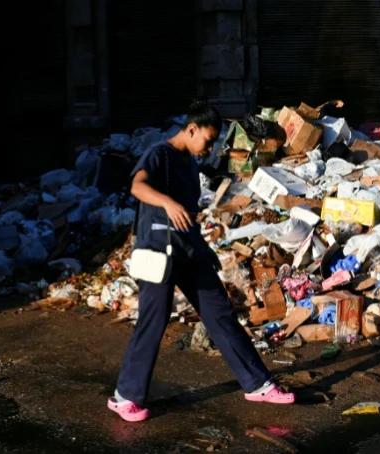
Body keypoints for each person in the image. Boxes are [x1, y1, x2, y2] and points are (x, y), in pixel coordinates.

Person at [108, 99, 294, 422]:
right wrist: (167, 203)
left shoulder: (190, 164)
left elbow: (188, 213)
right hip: (159, 252)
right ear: (191, 129)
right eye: (207, 140)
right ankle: (126, 396)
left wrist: (204, 246)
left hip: (190, 249)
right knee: (154, 320)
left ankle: (258, 383)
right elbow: (137, 186)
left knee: (220, 313)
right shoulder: (159, 154)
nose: (208, 149)